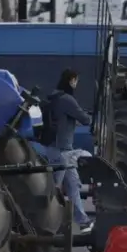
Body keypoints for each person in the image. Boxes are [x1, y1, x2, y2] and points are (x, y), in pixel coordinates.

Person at [46, 69, 93, 232]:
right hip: (61, 152)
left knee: (73, 187)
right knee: (53, 190)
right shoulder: (67, 99)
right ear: (71, 80)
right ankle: (47, 224)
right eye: (76, 80)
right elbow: (85, 119)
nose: (76, 84)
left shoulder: (53, 97)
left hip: (59, 149)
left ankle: (83, 222)